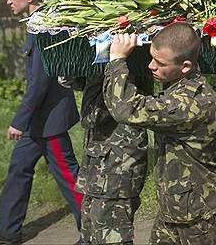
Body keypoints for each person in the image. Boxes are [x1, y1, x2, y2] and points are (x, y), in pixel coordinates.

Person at [0, 0, 82, 245]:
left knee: (69, 176)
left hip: (51, 119)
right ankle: (8, 232)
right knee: (18, 168)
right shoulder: (36, 24)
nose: (8, 1)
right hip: (40, 119)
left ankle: (95, 231)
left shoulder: (43, 27)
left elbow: (40, 82)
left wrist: (18, 121)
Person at [103, 22, 216, 244]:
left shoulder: (190, 103)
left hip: (200, 215)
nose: (151, 66)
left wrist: (117, 61)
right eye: (152, 57)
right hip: (174, 209)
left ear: (185, 66)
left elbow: (126, 109)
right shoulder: (176, 85)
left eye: (160, 63)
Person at [62, 74, 151, 245]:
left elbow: (91, 116)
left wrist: (95, 74)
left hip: (117, 164)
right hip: (97, 159)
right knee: (90, 231)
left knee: (109, 234)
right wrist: (73, 74)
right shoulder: (111, 66)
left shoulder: (122, 65)